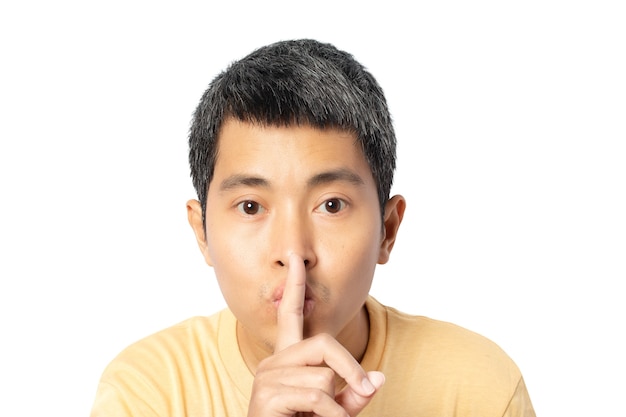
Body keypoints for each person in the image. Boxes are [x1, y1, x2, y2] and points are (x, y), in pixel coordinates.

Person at [90, 38, 536, 417]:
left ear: (388, 229)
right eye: (250, 206)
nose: (294, 251)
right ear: (202, 231)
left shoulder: (478, 387)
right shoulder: (146, 390)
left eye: (331, 204)